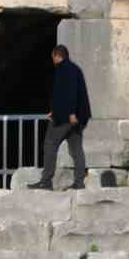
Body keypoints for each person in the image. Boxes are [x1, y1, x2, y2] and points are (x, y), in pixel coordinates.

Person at [31, 43, 92, 190]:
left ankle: (46, 181)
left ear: (57, 56)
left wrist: (70, 113)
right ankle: (79, 182)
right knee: (76, 148)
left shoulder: (63, 69)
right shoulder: (75, 69)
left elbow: (70, 92)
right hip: (78, 118)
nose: (52, 60)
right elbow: (62, 93)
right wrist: (54, 110)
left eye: (53, 57)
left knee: (50, 144)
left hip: (66, 117)